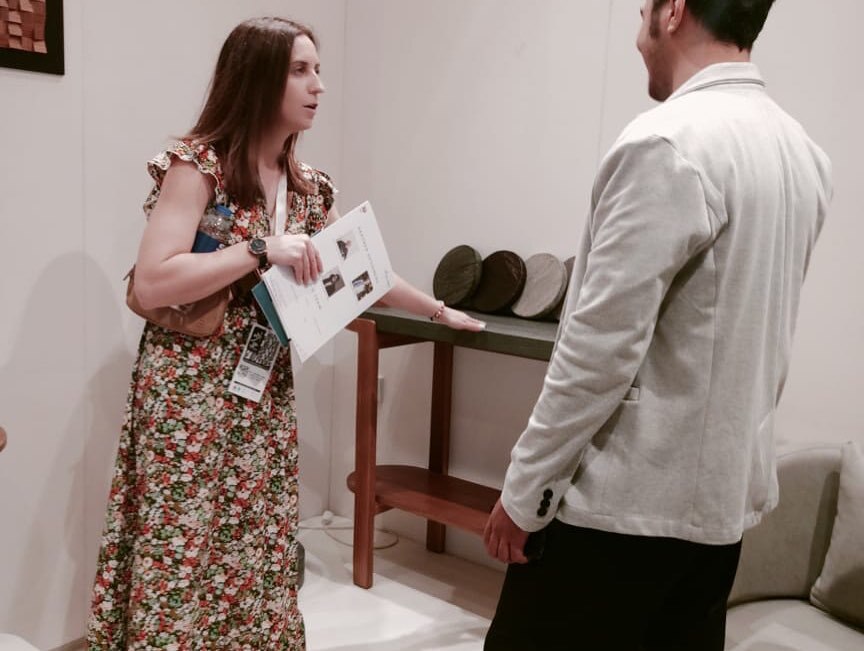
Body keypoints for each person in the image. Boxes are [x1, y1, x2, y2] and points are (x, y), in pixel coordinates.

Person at [87, 17, 484, 651]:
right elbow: (155, 280)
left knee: (255, 536)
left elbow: (366, 276)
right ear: (257, 77)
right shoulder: (199, 166)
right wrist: (259, 249)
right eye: (300, 71)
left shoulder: (309, 188)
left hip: (262, 387)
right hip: (188, 391)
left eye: (318, 70)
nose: (318, 86)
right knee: (182, 535)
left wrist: (438, 310)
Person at [483, 1, 832, 649]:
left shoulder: (668, 144)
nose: (637, 25)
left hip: (621, 514)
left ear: (674, 11)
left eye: (642, 6)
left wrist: (524, 492)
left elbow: (597, 352)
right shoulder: (802, 155)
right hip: (718, 516)